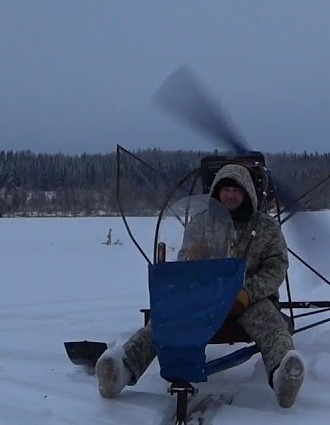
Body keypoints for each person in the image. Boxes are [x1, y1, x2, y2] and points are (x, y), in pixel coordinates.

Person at [95, 163, 306, 408]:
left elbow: (276, 267)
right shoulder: (199, 224)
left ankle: (283, 373)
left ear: (248, 193)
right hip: (204, 299)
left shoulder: (266, 227)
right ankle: (121, 367)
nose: (230, 195)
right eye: (225, 189)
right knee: (165, 321)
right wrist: (191, 258)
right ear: (215, 192)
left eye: (236, 190)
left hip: (248, 300)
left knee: (272, 323)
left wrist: (248, 293)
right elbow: (182, 263)